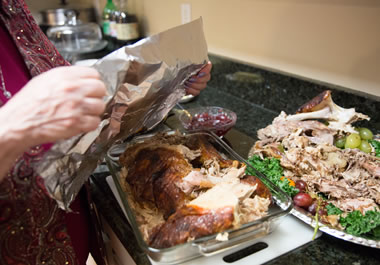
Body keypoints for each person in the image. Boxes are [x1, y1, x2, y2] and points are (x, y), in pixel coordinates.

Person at [0, 0, 212, 264]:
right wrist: (15, 122)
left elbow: (88, 104)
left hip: (65, 231)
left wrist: (174, 80)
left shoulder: (11, 9)